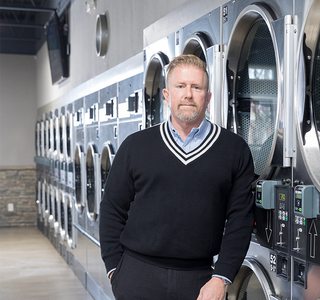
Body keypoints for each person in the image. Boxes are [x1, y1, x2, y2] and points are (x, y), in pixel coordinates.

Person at [99, 54, 255, 300]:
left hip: (199, 279)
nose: (188, 94)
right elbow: (111, 209)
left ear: (209, 96)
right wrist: (115, 270)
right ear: (166, 95)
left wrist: (222, 277)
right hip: (137, 275)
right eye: (180, 86)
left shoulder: (233, 150)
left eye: (197, 87)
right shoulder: (136, 146)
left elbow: (240, 220)